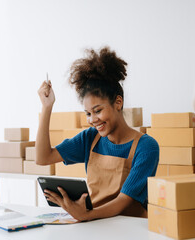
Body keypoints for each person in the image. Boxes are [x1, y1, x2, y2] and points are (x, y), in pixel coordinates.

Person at [36, 46, 159, 221]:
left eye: (98, 110)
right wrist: (47, 107)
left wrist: (86, 215)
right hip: (95, 225)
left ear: (118, 102)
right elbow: (43, 158)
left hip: (130, 230)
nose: (93, 119)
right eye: (88, 113)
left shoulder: (146, 147)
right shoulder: (89, 138)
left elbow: (124, 200)